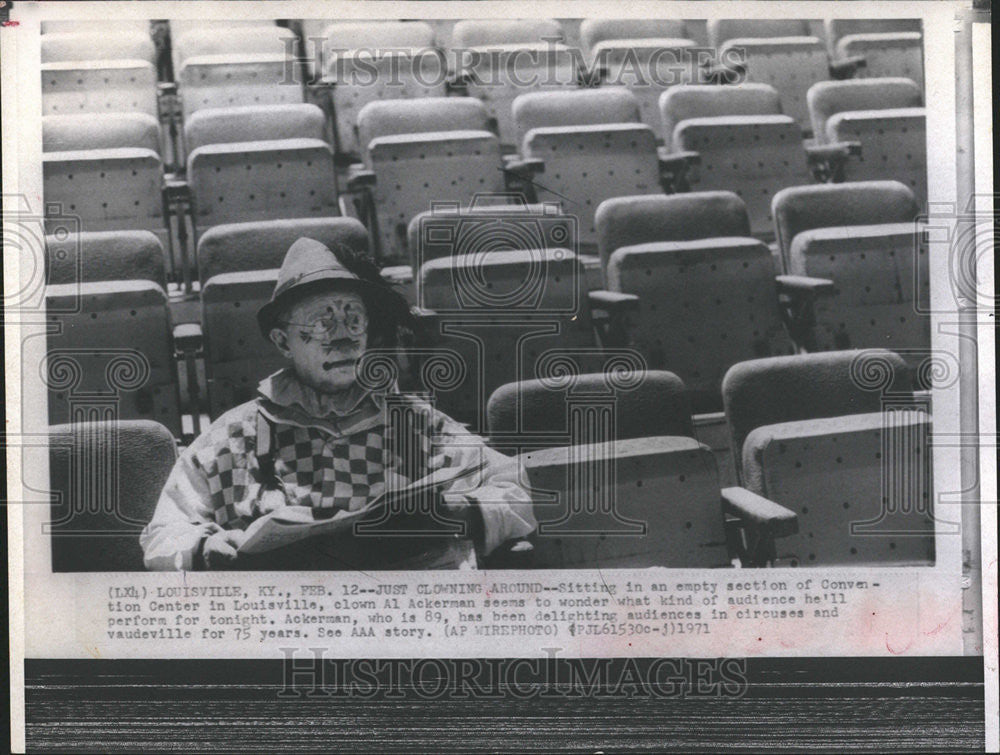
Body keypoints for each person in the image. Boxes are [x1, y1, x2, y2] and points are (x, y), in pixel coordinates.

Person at [140, 237, 537, 570]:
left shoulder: (412, 420)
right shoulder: (232, 434)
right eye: (322, 322)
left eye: (353, 320)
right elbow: (164, 532)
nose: (343, 338)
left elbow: (516, 487)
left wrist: (462, 511)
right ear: (283, 343)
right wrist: (205, 549)